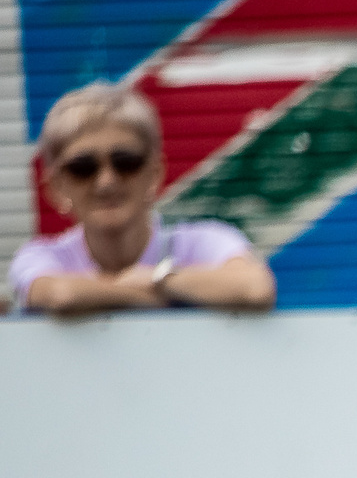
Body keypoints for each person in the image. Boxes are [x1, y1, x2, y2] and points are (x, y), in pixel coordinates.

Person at [11, 85, 275, 316]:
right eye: (83, 167)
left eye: (126, 162)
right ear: (55, 187)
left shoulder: (204, 239)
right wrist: (166, 294)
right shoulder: (40, 254)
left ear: (155, 173)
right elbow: (61, 295)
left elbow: (256, 288)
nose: (106, 182)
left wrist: (156, 278)